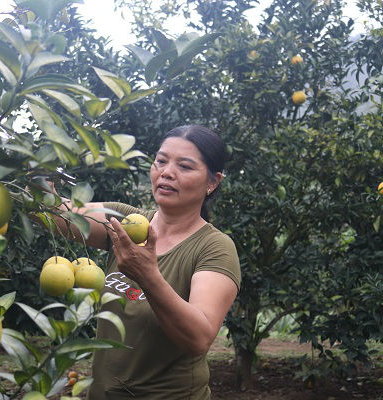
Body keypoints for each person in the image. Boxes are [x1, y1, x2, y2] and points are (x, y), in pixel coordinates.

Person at [40, 125, 241, 399]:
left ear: (212, 182)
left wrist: (148, 276)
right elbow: (50, 210)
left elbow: (199, 338)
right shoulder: (124, 223)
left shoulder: (214, 247)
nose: (166, 172)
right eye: (161, 161)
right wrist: (38, 169)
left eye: (184, 166)